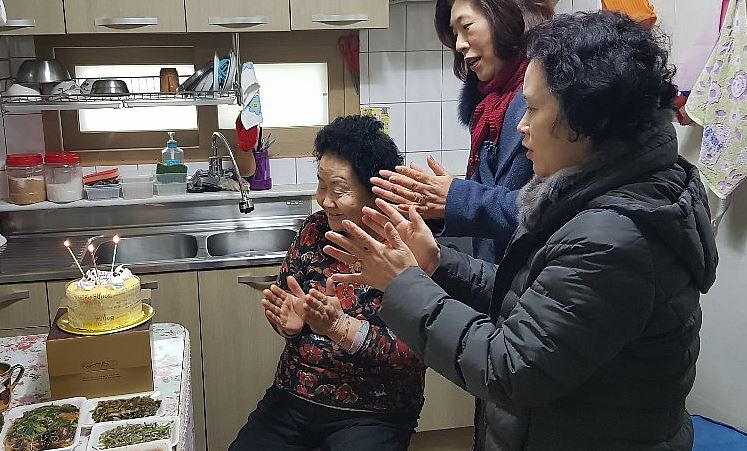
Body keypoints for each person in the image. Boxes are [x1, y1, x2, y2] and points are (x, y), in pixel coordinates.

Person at [319, 12, 719, 450]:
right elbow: (530, 299)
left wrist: (404, 284)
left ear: (583, 118)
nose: (521, 126)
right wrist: (437, 263)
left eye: (531, 108)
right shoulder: (598, 197)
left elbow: (507, 368)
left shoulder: (614, 237)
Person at [229, 115, 426, 451]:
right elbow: (288, 305)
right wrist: (290, 326)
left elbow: (417, 349)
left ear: (376, 190)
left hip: (374, 410)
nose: (324, 200)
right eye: (321, 185)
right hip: (294, 397)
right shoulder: (313, 231)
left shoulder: (404, 244)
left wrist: (341, 327)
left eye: (339, 190)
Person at [371, 0, 553, 262]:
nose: (458, 44)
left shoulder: (548, 96)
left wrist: (456, 198)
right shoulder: (488, 106)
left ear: (504, 16)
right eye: (455, 33)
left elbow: (550, 207)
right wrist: (435, 208)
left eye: (466, 26)